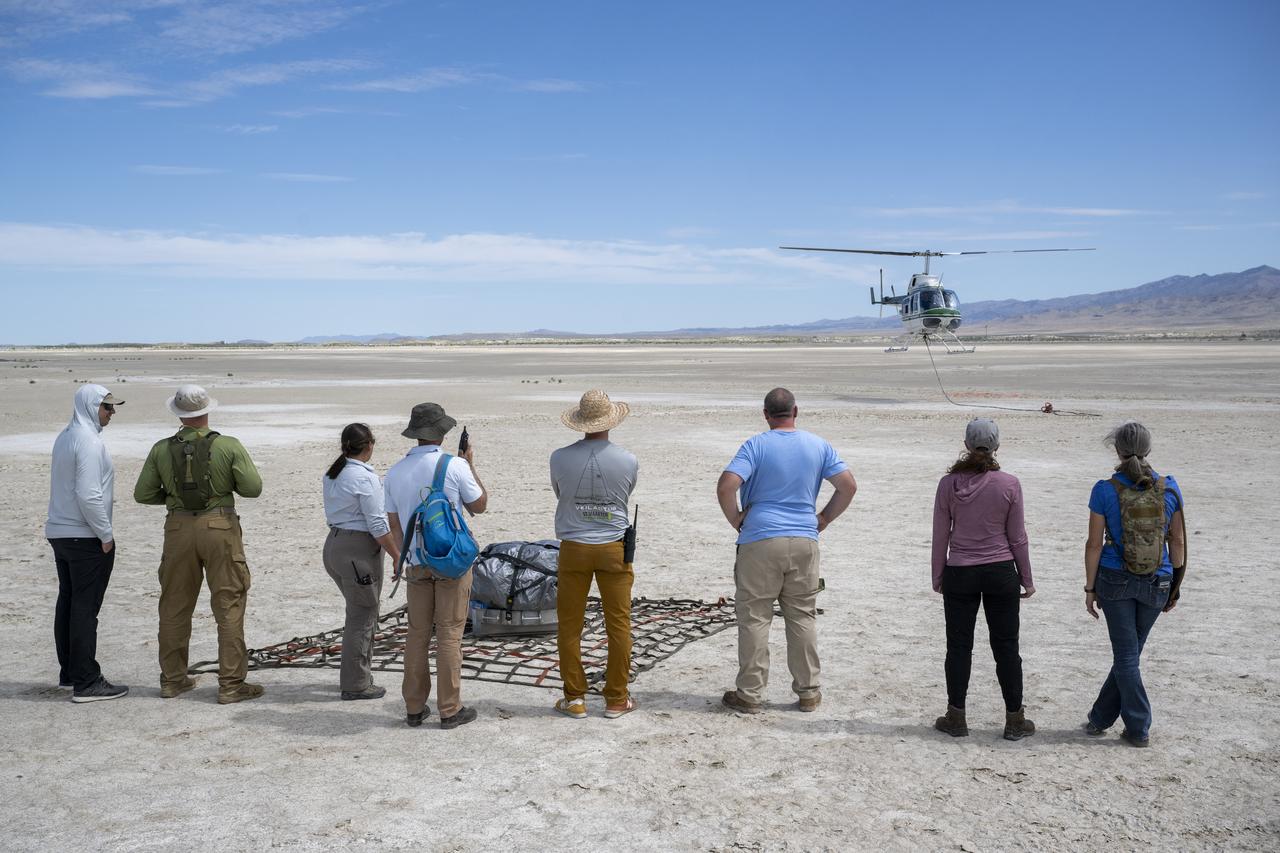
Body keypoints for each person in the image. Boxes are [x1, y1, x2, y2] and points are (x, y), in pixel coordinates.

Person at [716, 388, 857, 713]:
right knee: (802, 616)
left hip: (760, 539)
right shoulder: (818, 445)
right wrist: (822, 519)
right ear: (796, 411)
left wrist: (737, 519)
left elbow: (726, 486)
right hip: (804, 539)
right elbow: (848, 485)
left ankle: (750, 695)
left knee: (754, 617)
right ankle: (808, 692)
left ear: (766, 414)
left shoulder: (755, 445)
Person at [133, 385, 264, 704]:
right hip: (219, 526)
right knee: (228, 605)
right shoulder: (228, 445)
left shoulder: (161, 449)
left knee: (174, 605)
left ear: (178, 414)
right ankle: (231, 684)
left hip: (178, 527)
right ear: (206, 411)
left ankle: (173, 680)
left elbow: (143, 494)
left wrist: (173, 498)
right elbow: (252, 488)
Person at [931, 418, 1036, 741]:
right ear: (997, 447)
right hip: (1001, 571)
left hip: (960, 572)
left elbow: (940, 536)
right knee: (1006, 647)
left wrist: (938, 575)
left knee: (959, 646)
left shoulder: (948, 484)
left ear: (966, 445)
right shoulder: (1009, 484)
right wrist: (1026, 578)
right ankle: (1014, 719)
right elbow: (1017, 537)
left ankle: (957, 716)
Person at [384, 402, 488, 730]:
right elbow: (480, 505)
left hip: (415, 563)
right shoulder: (454, 465)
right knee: (449, 634)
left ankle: (414, 707)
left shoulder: (395, 472)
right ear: (442, 433)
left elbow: (393, 523)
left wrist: (406, 558)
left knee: (416, 635)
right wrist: (470, 466)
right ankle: (449, 708)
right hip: (451, 564)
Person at [1083, 422, 1186, 748]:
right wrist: (1175, 586)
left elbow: (1094, 545)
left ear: (1117, 450)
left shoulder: (1104, 490)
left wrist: (1089, 588)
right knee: (1130, 655)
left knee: (1127, 657)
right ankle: (1099, 718)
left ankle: (1138, 727)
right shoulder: (1170, 488)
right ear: (1149, 448)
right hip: (1158, 579)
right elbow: (1179, 542)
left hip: (1115, 580)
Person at [550, 390, 639, 719]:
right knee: (619, 625)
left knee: (569, 626)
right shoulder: (628, 459)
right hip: (613, 547)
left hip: (573, 547)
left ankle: (575, 698)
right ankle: (617, 697)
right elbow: (625, 495)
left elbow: (560, 494)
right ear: (611, 421)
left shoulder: (559, 457)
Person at [45, 384, 129, 703]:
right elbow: (88, 494)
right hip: (84, 535)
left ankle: (70, 672)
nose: (112, 412)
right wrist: (105, 535)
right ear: (91, 407)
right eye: (107, 406)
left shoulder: (66, 436)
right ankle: (86, 681)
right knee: (84, 606)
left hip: (60, 532)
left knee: (68, 602)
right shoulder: (89, 442)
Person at [322, 423, 402, 701]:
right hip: (357, 550)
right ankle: (356, 684)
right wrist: (397, 555)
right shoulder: (363, 477)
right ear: (369, 446)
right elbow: (378, 524)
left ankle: (359, 674)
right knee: (363, 616)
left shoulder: (334, 472)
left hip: (334, 545)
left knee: (359, 612)